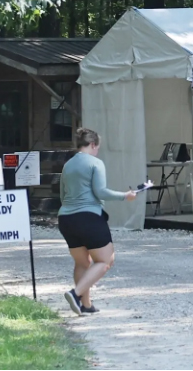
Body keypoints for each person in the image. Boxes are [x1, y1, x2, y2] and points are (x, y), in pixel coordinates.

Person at [59, 128, 137, 315]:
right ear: (93, 144)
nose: (97, 151)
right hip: (89, 217)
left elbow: (62, 195)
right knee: (105, 261)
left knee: (82, 263)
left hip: (66, 219)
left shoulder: (67, 165)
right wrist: (125, 196)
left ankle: (85, 305)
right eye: (97, 148)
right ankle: (75, 294)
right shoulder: (95, 163)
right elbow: (100, 191)